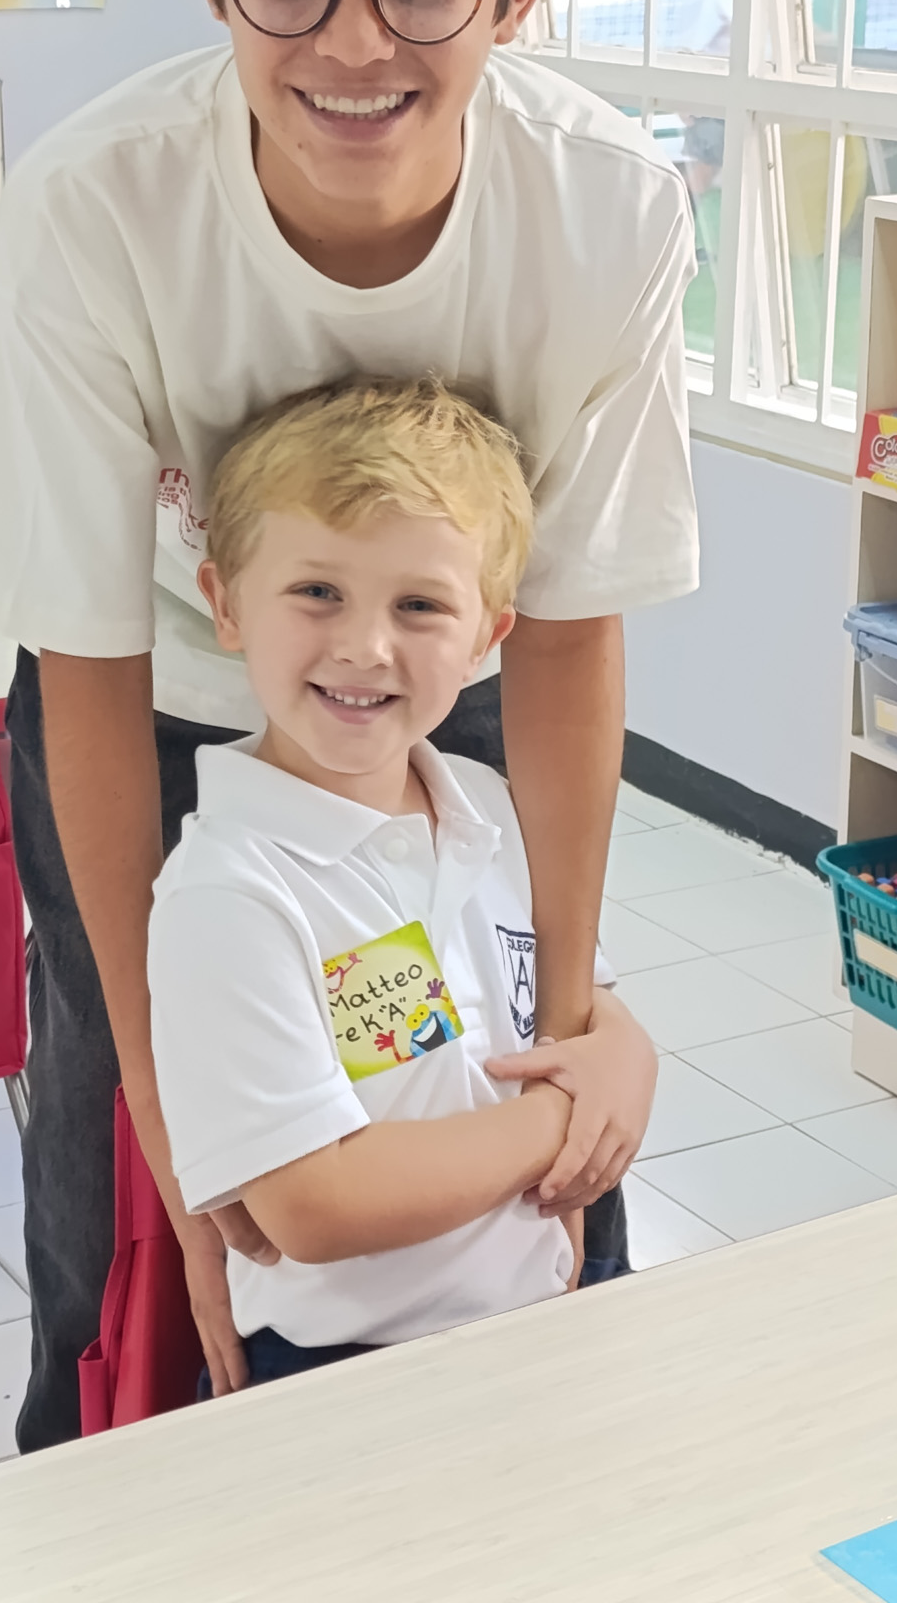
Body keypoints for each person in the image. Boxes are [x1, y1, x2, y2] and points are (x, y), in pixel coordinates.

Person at [0, 0, 699, 1448]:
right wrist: (177, 1127)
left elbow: (566, 632)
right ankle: (93, 1470)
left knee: (509, 1123)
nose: (355, 46)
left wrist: (575, 1021)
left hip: (452, 694)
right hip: (154, 712)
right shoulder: (100, 208)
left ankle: (551, 1472)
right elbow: (85, 659)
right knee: (134, 1180)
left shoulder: (601, 208)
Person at [148, 378, 659, 1389]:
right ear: (226, 603)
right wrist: (559, 1120)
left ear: (486, 638)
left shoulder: (491, 807)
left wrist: (628, 1055)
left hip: (538, 1318)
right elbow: (314, 1202)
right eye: (317, 591)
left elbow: (573, 995)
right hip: (338, 1372)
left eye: (419, 605)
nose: (363, 646)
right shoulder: (230, 891)